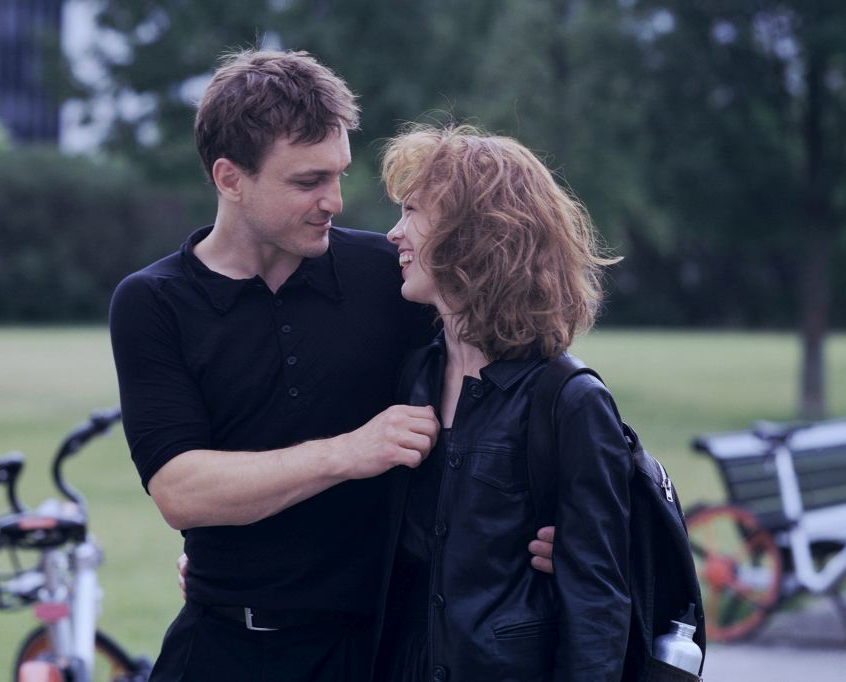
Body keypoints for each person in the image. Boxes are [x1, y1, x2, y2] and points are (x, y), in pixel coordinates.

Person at [108, 50, 553, 682]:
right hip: (220, 646)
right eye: (308, 181)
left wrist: (566, 526)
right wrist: (350, 451)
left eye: (339, 174)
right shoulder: (152, 302)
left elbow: (529, 382)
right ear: (230, 178)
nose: (335, 201)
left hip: (376, 652)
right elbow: (181, 491)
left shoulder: (392, 276)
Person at [374, 125, 631, 681]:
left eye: (412, 211)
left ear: (473, 234)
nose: (393, 233)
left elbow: (598, 609)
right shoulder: (412, 377)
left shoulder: (569, 402)